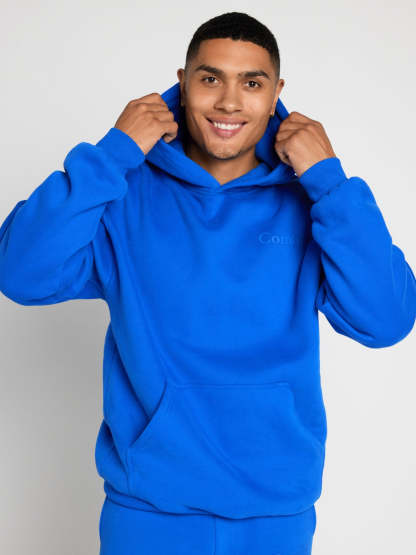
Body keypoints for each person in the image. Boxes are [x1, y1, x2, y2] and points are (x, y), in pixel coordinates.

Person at [1, 10, 415, 555]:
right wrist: (112, 154)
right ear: (183, 83)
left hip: (275, 512)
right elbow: (21, 272)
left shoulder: (313, 202)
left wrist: (329, 180)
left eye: (252, 83)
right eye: (211, 78)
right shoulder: (123, 193)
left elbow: (385, 320)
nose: (228, 101)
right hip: (147, 510)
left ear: (276, 94)